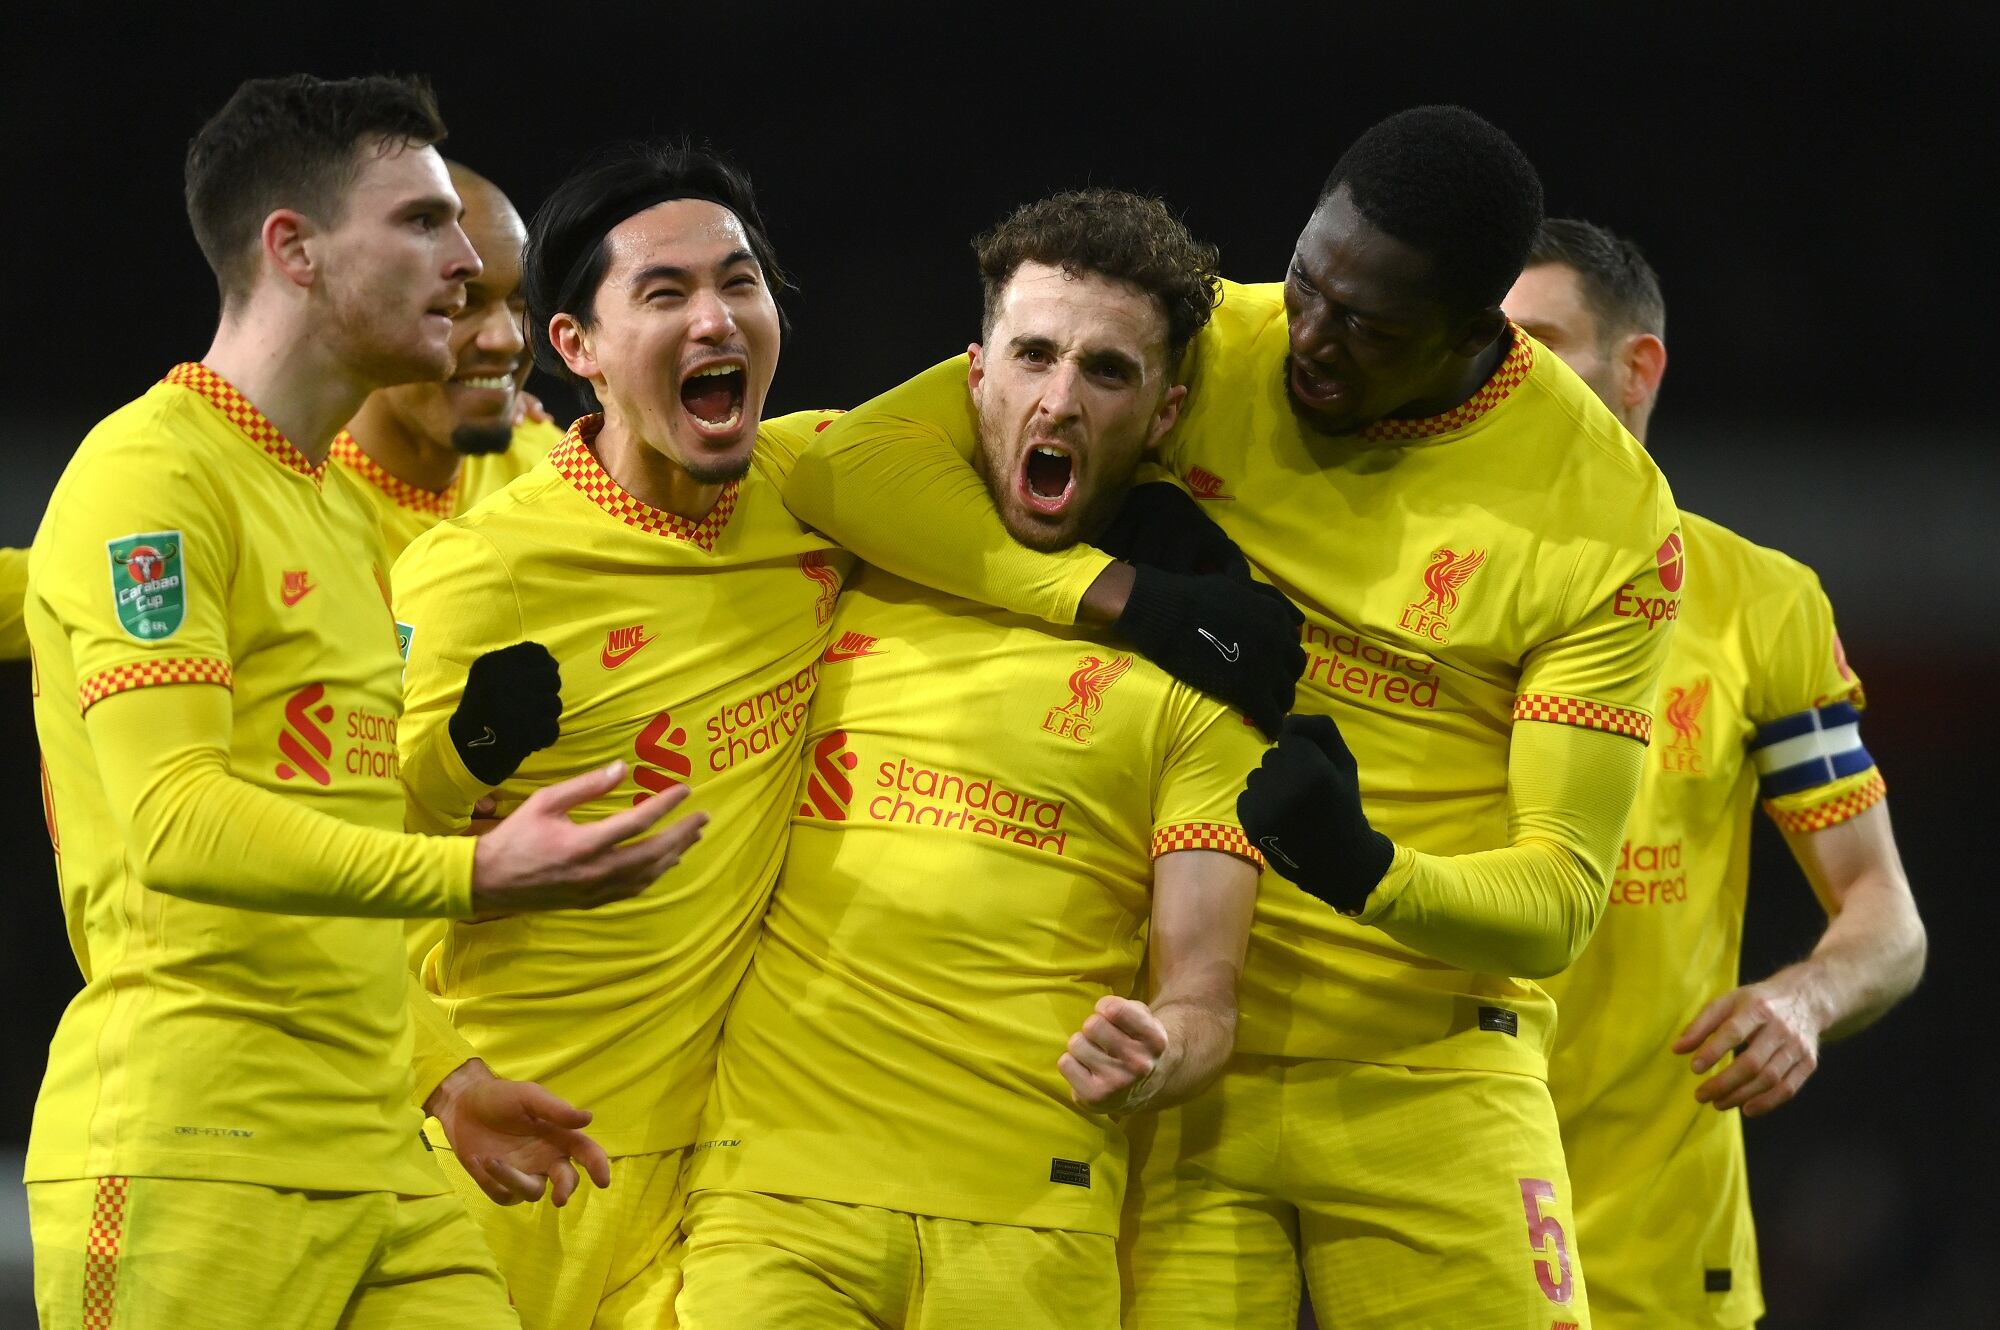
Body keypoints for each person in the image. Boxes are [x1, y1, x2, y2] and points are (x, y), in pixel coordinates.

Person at [781, 105, 1686, 1327]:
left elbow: (1562, 898)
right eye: (1306, 282)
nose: (1309, 342)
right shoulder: (1204, 344)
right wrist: (1119, 596)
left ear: (1479, 331)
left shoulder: (1606, 519)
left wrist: (1368, 870)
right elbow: (847, 470)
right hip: (1170, 1063)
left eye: (1367, 327)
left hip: (1425, 1069)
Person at [23, 75, 704, 1330]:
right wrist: (477, 875)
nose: (465, 262)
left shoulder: (339, 512)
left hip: (384, 1152)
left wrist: (443, 1076)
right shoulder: (150, 477)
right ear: (293, 250)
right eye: (422, 224)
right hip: (198, 1148)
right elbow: (178, 823)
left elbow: (338, 844)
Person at [675, 188, 1266, 1330]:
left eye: (1105, 370)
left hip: (1032, 1219)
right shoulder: (823, 568)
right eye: (1031, 354)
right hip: (776, 1202)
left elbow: (1206, 994)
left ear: (1163, 413)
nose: (1056, 397)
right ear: (974, 375)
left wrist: (1158, 1052)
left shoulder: (1199, 677)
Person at [393, 140, 849, 1330]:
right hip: (516, 1153)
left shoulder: (821, 495)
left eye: (739, 283)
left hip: (726, 1180)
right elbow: (334, 866)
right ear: (576, 349)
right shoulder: (483, 572)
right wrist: (439, 1078)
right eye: (664, 294)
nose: (717, 317)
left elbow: (1016, 381)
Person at [1506, 218, 1926, 1329]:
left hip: (1659, 1241)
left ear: (1633, 368)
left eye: (1535, 344)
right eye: (1480, 349)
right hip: (1425, 1221)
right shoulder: (1402, 585)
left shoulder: (1755, 603)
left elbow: (1884, 916)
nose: (1500, 379)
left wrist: (1801, 995)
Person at [334, 160, 561, 563]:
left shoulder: (552, 472)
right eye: (460, 304)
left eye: (519, 302)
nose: (507, 338)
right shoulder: (283, 498)